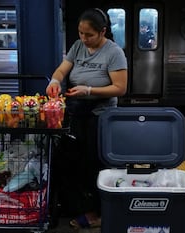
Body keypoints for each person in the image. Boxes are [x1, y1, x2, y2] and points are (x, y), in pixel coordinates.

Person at [46, 7, 128, 230]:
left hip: (100, 116)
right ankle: (78, 205)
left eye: (89, 34)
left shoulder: (114, 52)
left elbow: (120, 88)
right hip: (76, 112)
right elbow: (62, 71)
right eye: (81, 33)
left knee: (95, 163)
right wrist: (54, 81)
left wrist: (89, 90)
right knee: (74, 161)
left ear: (102, 32)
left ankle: (99, 212)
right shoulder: (78, 46)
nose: (84, 38)